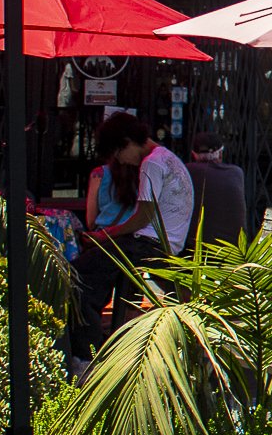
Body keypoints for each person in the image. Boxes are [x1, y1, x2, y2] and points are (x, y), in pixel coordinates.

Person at [70, 114, 196, 359]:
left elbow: (142, 217)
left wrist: (105, 235)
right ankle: (107, 341)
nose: (121, 162)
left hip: (146, 243)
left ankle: (87, 354)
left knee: (78, 276)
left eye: (118, 154)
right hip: (163, 244)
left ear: (127, 142)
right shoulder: (168, 158)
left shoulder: (151, 164)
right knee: (98, 270)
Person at [185, 130, 248, 247]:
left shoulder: (186, 171)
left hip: (196, 249)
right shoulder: (236, 172)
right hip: (234, 250)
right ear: (220, 154)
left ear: (194, 154)